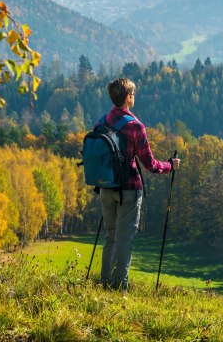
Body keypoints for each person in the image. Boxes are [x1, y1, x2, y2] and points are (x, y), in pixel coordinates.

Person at [98, 78, 180, 290]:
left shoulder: (101, 122)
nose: (134, 97)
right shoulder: (135, 127)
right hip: (129, 189)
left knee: (110, 236)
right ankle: (118, 289)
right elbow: (150, 164)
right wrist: (170, 165)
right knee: (124, 240)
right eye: (133, 94)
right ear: (128, 97)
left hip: (106, 186)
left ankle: (105, 284)